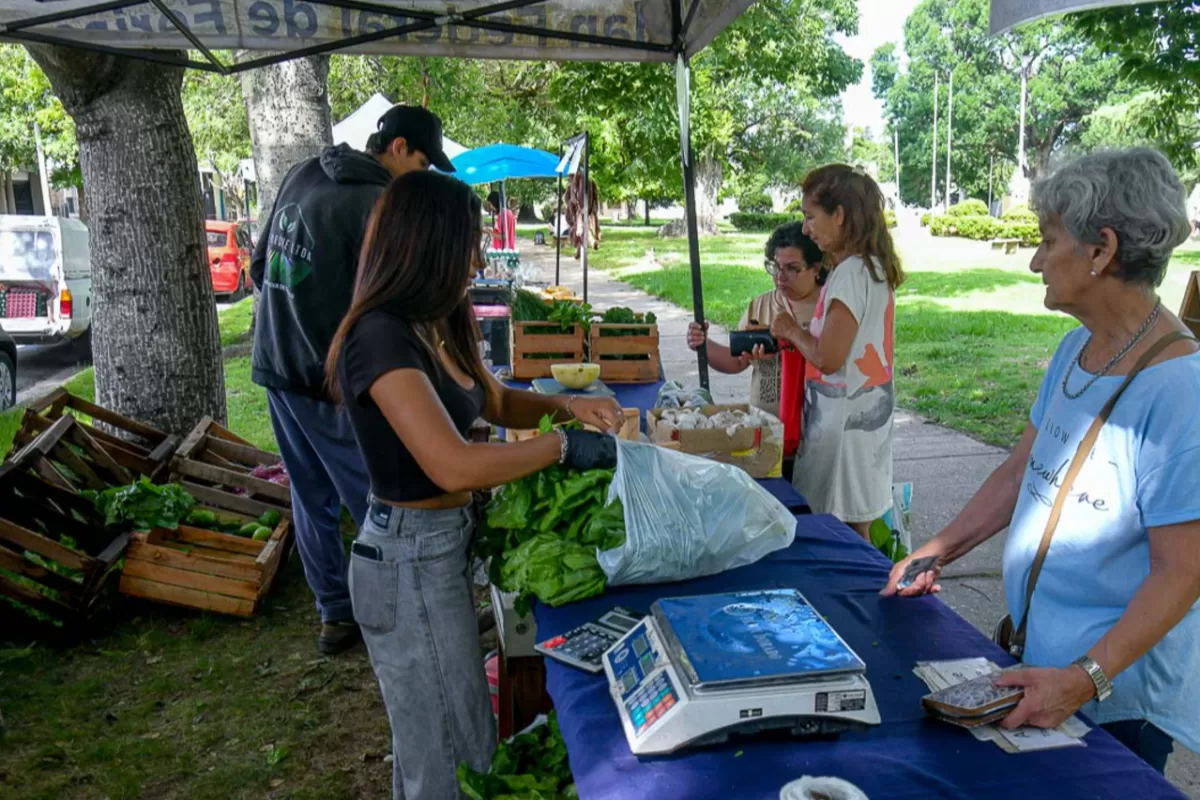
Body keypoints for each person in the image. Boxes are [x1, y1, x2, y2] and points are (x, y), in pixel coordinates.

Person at [882, 148, 1200, 775]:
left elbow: (1182, 574)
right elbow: (1021, 468)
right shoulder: (1077, 347)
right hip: (1044, 673)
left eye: (1047, 240)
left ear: (1101, 249)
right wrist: (939, 548)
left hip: (1115, 703)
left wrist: (1082, 681)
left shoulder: (1180, 391)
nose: (1033, 260)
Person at [325, 170, 623, 800]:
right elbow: (453, 465)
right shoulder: (377, 336)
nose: (480, 257)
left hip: (441, 548)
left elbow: (492, 402)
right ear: (428, 246)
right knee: (447, 755)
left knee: (461, 735)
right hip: (405, 558)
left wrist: (574, 408)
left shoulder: (436, 319)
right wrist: (562, 446)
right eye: (470, 243)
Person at [250, 105, 456, 655]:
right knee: (378, 498)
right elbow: (390, 300)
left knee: (310, 495)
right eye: (421, 160)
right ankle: (402, 611)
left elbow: (257, 266)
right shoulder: (377, 203)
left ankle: (336, 614)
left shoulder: (302, 171)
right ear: (396, 147)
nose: (423, 174)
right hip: (328, 378)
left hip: (274, 362)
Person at [770, 165, 904, 539]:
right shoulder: (873, 269)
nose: (806, 228)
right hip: (863, 421)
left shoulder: (849, 274)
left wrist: (791, 330)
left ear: (839, 216)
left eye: (810, 217)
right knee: (854, 529)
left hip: (844, 428)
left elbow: (829, 357)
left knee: (840, 533)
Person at [686, 223, 826, 476]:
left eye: (792, 269)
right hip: (767, 434)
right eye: (775, 267)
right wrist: (703, 344)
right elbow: (735, 361)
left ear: (816, 269)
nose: (781, 277)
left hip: (817, 437)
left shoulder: (828, 308)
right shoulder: (761, 306)